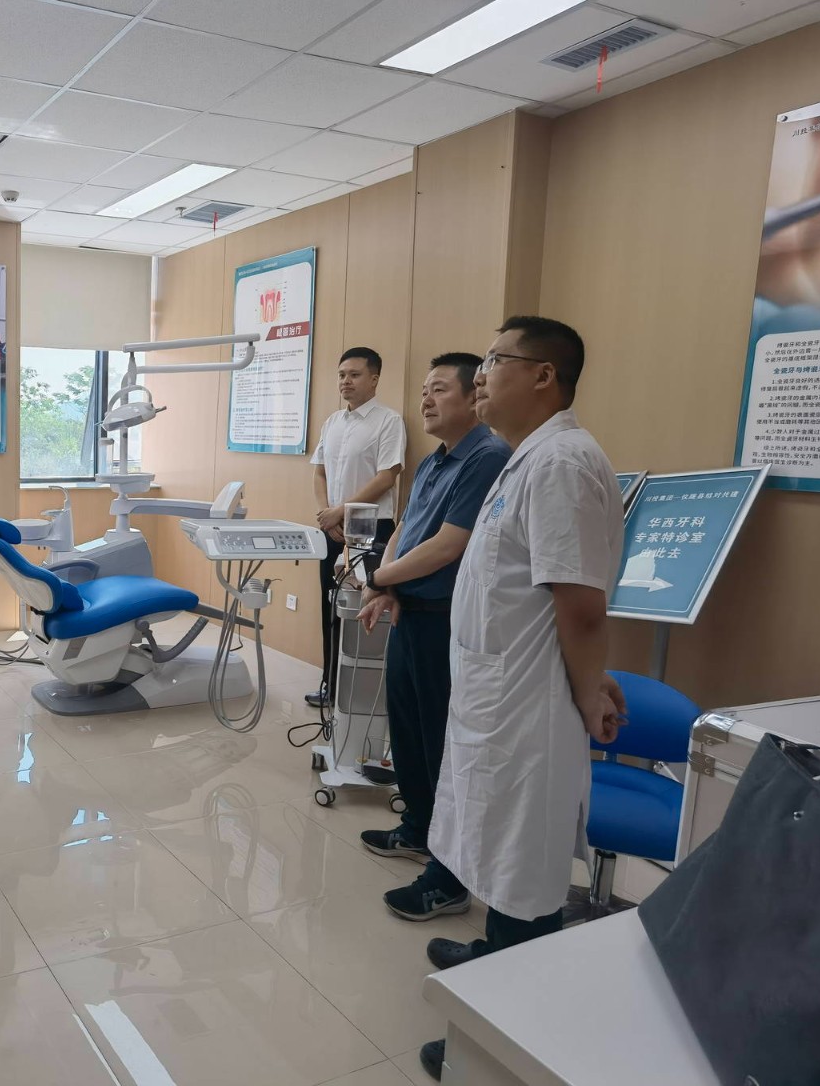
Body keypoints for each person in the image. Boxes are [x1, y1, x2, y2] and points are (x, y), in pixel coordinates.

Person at [408, 317, 626, 1082]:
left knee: (523, 860)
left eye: (496, 359)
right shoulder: (526, 456)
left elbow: (580, 603)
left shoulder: (562, 462)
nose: (480, 374)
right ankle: (494, 955)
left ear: (543, 376)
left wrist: (589, 688)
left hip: (528, 703)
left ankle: (498, 1042)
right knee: (497, 843)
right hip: (496, 693)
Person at [355, 354, 509, 872]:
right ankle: (418, 827)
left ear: (473, 395)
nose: (426, 399)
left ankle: (446, 852)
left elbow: (448, 545)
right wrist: (389, 586)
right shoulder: (432, 461)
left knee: (440, 734)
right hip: (411, 609)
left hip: (447, 617)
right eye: (424, 390)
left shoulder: (486, 457)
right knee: (408, 727)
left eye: (440, 389)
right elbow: (405, 529)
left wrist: (378, 581)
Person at [308, 346, 405, 709]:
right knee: (331, 606)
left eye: (354, 374)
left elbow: (387, 476)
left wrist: (340, 512)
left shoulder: (388, 421)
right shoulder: (333, 422)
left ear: (374, 379)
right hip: (333, 530)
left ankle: (363, 697)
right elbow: (319, 472)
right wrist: (326, 514)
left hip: (372, 531)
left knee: (365, 609)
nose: (345, 381)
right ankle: (329, 686)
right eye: (341, 375)